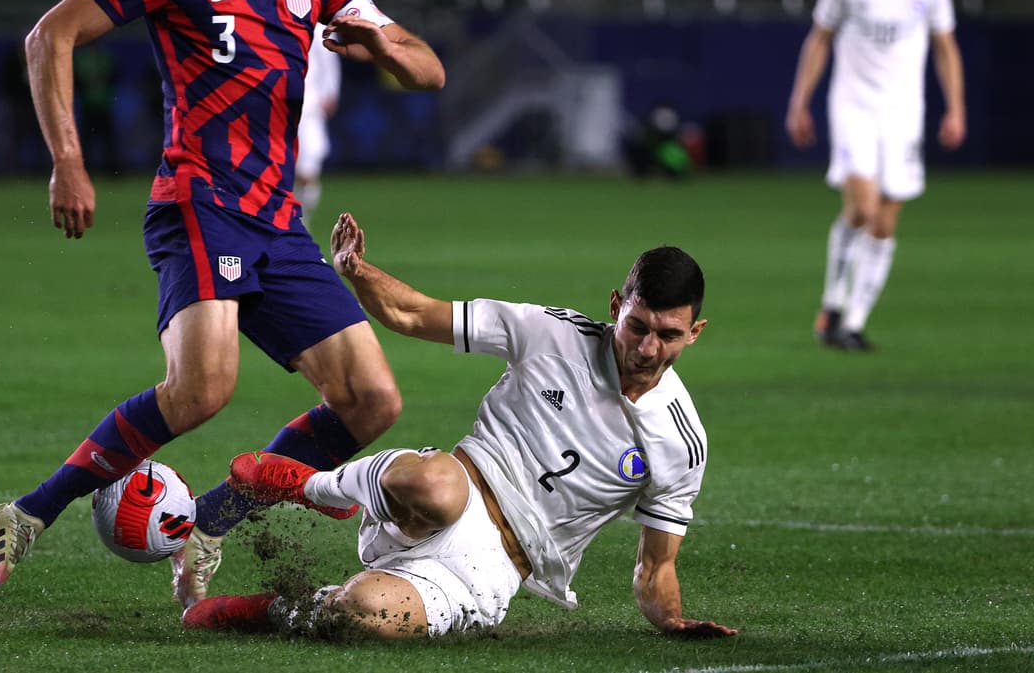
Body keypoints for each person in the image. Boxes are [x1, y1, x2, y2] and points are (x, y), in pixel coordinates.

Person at [0, 0, 445, 602]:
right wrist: (68, 161)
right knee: (203, 389)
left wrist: (374, 39)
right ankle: (24, 515)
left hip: (276, 219)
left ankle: (213, 522)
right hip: (199, 199)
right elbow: (49, 34)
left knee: (372, 400)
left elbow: (428, 71)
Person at [182, 212, 738, 640]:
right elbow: (415, 314)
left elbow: (655, 565)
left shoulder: (680, 442)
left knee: (365, 614)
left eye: (667, 334)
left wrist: (673, 622)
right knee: (437, 485)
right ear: (616, 305)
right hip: (441, 494)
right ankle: (307, 486)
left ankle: (269, 609)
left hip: (492, 571)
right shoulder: (550, 334)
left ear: (696, 332)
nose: (647, 347)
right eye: (637, 325)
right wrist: (356, 270)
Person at [785, 0, 966, 351]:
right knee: (862, 209)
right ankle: (831, 304)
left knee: (885, 222)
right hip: (854, 106)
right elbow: (819, 40)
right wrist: (800, 102)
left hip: (904, 114)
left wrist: (955, 108)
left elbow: (945, 48)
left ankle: (852, 320)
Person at [295, 24, 342, 227]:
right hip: (275, 105)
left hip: (309, 107)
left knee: (308, 170)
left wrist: (330, 91)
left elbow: (329, 58)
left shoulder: (318, 24)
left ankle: (302, 224)